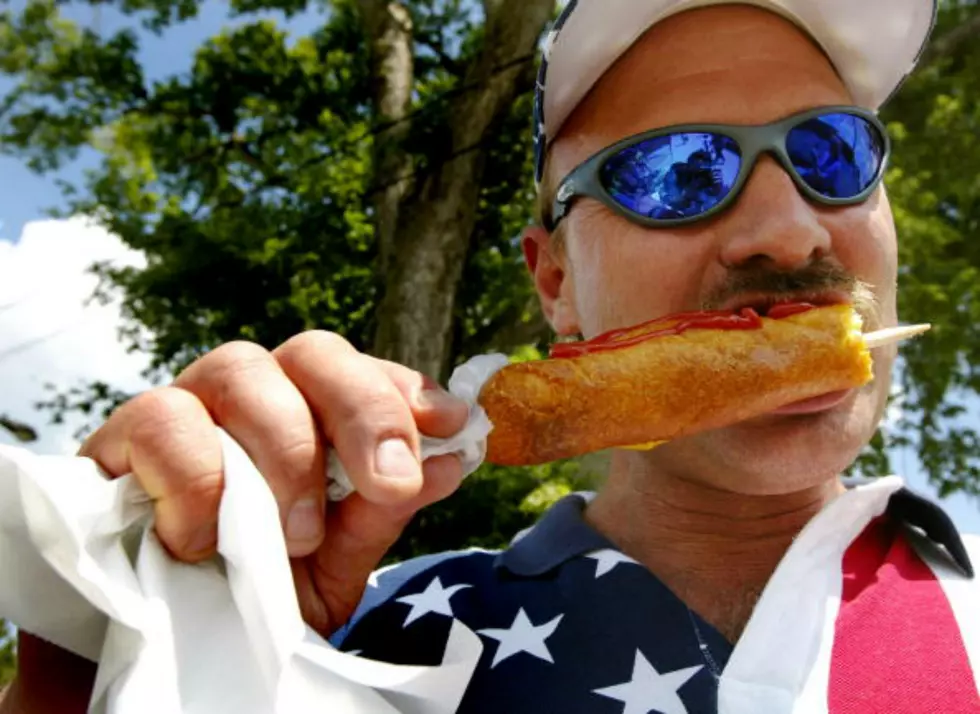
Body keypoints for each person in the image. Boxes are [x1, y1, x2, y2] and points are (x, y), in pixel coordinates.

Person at [3, 1, 979, 712]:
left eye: (831, 153)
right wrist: (149, 650)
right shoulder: (359, 643)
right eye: (675, 171)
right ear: (552, 279)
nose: (785, 226)